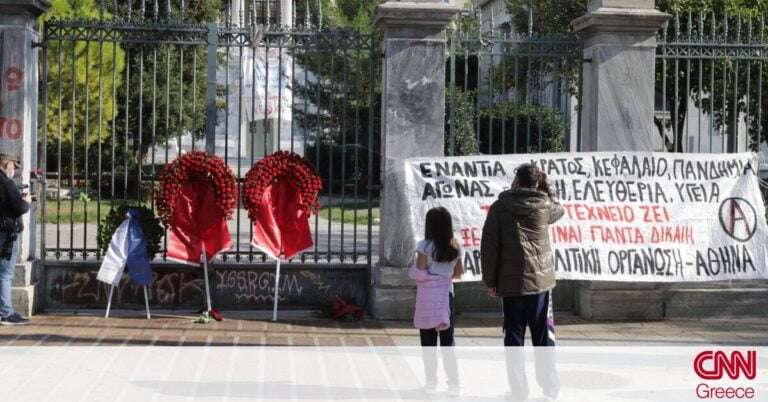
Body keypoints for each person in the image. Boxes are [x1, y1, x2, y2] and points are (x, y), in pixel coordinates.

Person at [481, 163, 563, 400]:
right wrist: (547, 188)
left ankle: (518, 391)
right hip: (540, 285)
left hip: (511, 283)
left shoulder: (499, 207)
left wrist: (490, 280)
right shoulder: (545, 206)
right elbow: (561, 209)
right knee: (543, 336)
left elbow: (489, 247)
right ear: (537, 182)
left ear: (516, 180)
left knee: (513, 338)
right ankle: (550, 390)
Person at [409, 207, 464, 396]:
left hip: (427, 298)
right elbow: (458, 273)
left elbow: (419, 273)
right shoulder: (456, 246)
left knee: (428, 341)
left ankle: (431, 382)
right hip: (446, 296)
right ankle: (454, 384)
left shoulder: (424, 246)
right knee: (448, 341)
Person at [0, 153, 31, 325]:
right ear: (6, 164)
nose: (14, 169)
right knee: (5, 273)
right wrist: (26, 201)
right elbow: (18, 207)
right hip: (6, 233)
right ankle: (6, 313)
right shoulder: (6, 182)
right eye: (13, 165)